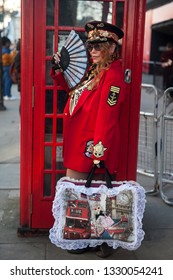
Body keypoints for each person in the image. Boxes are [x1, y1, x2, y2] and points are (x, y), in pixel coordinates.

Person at [50, 21, 126, 257]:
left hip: (90, 145)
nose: (92, 50)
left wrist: (98, 152)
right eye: (90, 46)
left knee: (81, 193)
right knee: (81, 192)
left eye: (98, 46)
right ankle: (86, 237)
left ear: (112, 48)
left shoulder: (112, 76)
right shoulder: (95, 71)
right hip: (78, 141)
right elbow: (73, 93)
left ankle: (89, 239)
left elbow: (107, 116)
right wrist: (60, 71)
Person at [2, 36, 16, 100]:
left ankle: (6, 94)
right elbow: (10, 59)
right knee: (8, 81)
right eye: (9, 43)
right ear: (6, 43)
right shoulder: (5, 51)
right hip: (7, 68)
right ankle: (7, 94)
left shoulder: (4, 50)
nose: (9, 44)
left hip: (5, 68)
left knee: (6, 81)